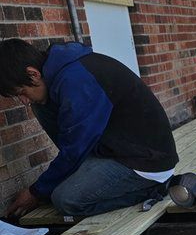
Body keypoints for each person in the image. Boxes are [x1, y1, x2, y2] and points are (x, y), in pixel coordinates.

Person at [0, 39, 178, 219]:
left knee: (65, 199)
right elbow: (73, 145)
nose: (23, 101)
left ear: (33, 73)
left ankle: (156, 189)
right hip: (117, 150)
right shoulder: (61, 72)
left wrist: (36, 192)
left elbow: (75, 148)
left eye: (21, 92)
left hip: (146, 160)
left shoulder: (77, 79)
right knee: (41, 105)